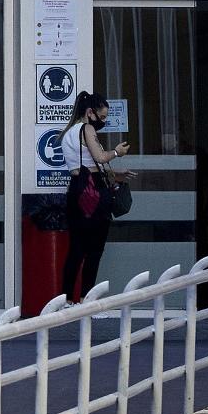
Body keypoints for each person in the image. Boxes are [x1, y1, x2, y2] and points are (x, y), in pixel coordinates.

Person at [60, 92, 135, 302]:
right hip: (93, 195)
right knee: (94, 250)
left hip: (77, 191)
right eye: (101, 117)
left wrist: (116, 174)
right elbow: (100, 158)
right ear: (89, 112)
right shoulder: (87, 128)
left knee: (76, 250)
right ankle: (86, 300)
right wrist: (118, 152)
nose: (103, 122)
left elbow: (83, 166)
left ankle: (66, 300)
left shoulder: (70, 132)